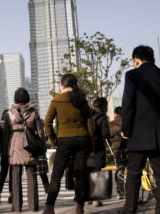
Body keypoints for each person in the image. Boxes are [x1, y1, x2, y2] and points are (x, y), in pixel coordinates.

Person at [121, 45, 160, 214]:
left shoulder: (131, 75)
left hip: (136, 136)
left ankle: (130, 211)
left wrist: (126, 128)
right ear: (153, 59)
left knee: (133, 176)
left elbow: (128, 105)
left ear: (136, 60)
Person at [43, 74, 93, 214]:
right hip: (82, 139)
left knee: (57, 174)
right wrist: (91, 146)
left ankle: (49, 207)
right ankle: (79, 207)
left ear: (62, 85)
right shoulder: (82, 100)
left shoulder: (56, 99)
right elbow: (89, 124)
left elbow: (47, 123)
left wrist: (54, 140)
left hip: (64, 140)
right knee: (80, 174)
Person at [3, 88, 45, 212]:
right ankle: (33, 206)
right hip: (30, 147)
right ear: (27, 98)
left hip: (14, 147)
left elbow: (6, 134)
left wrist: (6, 150)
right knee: (32, 178)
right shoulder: (33, 112)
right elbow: (40, 132)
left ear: (16, 99)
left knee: (15, 178)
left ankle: (17, 207)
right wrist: (41, 145)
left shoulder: (9, 114)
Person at [89, 97, 110, 207]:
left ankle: (87, 198)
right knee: (96, 172)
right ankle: (96, 200)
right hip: (97, 147)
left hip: (86, 148)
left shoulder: (87, 114)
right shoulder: (102, 117)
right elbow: (105, 134)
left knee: (88, 172)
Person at [0, 109, 13, 203]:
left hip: (4, 153)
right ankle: (10, 195)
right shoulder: (12, 125)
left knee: (3, 175)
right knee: (12, 175)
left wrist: (2, 147)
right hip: (13, 153)